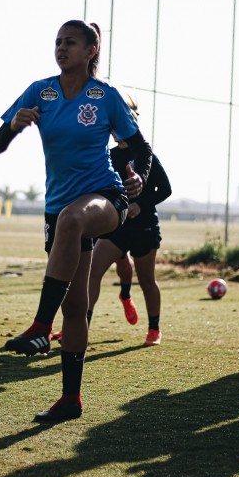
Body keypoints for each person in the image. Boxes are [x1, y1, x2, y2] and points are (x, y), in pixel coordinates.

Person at [0, 20, 152, 422]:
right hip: (58, 212)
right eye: (57, 41)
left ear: (91, 50)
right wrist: (12, 126)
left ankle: (41, 325)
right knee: (76, 307)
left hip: (105, 199)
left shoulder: (105, 95)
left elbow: (140, 149)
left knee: (72, 218)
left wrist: (137, 180)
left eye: (70, 42)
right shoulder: (40, 91)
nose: (61, 48)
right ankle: (70, 399)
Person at [86, 96, 171, 346]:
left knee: (146, 280)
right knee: (93, 273)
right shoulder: (108, 156)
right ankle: (81, 327)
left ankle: (154, 330)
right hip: (115, 226)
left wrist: (139, 204)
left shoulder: (145, 154)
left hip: (144, 227)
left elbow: (165, 189)